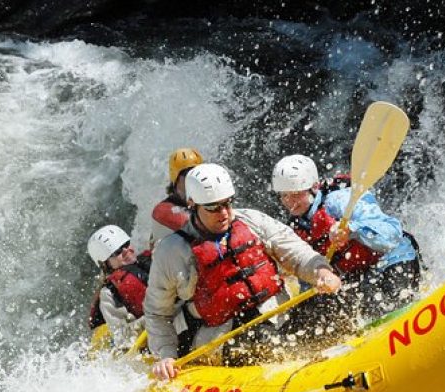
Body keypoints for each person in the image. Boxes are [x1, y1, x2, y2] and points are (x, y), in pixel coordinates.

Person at [144, 163, 342, 380]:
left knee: (330, 305)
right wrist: (166, 354)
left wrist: (321, 272)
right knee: (262, 340)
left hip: (275, 318)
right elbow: (157, 313)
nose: (224, 214)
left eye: (227, 204)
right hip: (223, 338)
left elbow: (296, 252)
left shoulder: (251, 220)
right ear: (192, 204)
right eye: (213, 208)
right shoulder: (171, 252)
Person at [271, 154, 422, 320]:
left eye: (296, 194)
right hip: (360, 273)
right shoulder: (296, 229)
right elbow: (309, 275)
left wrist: (352, 229)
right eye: (284, 195)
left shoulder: (340, 200)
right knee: (311, 315)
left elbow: (391, 233)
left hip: (393, 260)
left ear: (314, 187)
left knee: (384, 305)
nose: (289, 201)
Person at [87, 225, 149, 349]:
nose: (126, 251)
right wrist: (155, 317)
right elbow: (122, 338)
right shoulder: (109, 293)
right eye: (117, 252)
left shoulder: (150, 261)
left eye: (127, 244)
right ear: (105, 263)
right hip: (152, 343)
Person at [149, 147, 204, 248]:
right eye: (187, 173)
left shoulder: (201, 203)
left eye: (197, 172)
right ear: (176, 178)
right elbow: (201, 230)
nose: (194, 177)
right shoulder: (163, 211)